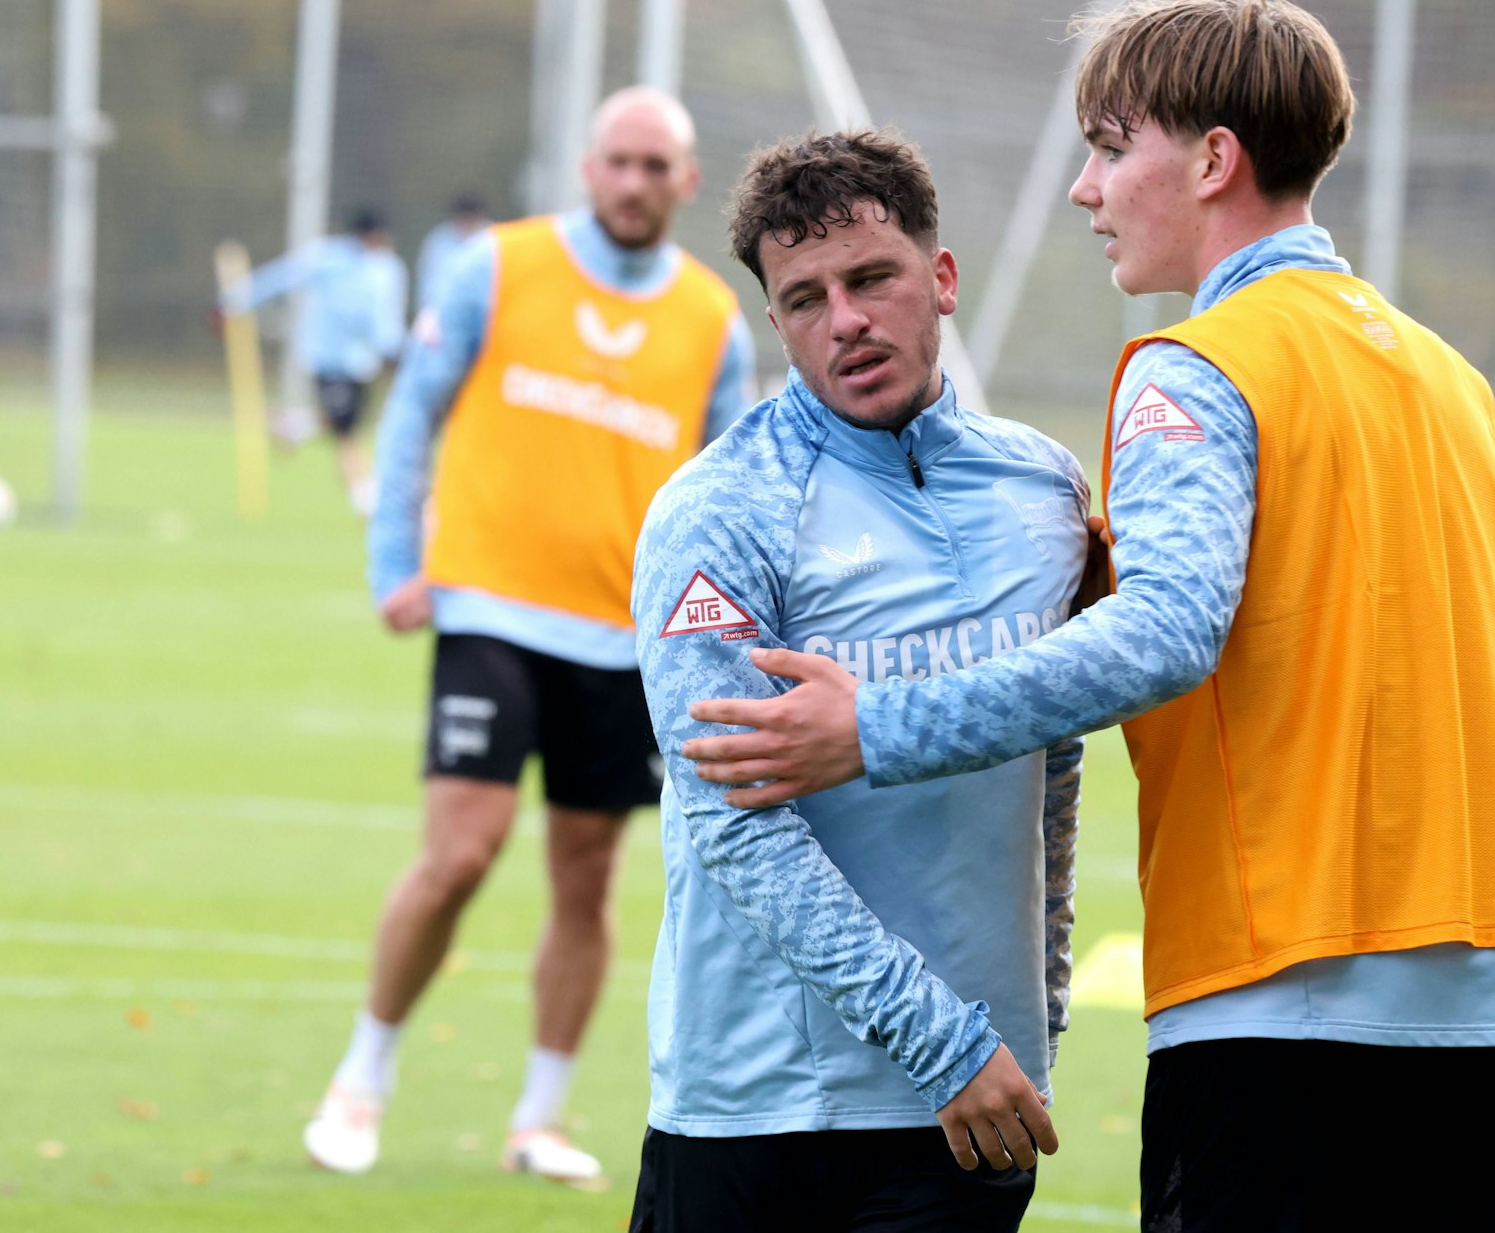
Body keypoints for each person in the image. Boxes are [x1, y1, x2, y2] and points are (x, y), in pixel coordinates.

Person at [680, 0, 1495, 1232]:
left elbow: (1162, 632)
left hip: (1284, 994)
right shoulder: (1447, 377)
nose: (1085, 190)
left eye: (1110, 147)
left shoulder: (1192, 369)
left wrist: (873, 725)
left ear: (1211, 160)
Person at [626, 129, 1087, 1232]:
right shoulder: (719, 511)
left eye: (871, 277)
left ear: (938, 277)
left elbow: (1053, 765)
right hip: (758, 1106)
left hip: (969, 1112)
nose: (844, 320)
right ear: (775, 320)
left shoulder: (1044, 489)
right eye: (803, 298)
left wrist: (1039, 1011)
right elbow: (735, 820)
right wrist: (948, 1039)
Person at [301, 86, 757, 1185]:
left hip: (622, 640)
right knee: (459, 851)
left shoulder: (714, 324)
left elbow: (730, 496)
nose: (637, 182)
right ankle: (361, 1077)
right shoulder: (495, 268)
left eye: (658, 166)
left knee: (586, 879)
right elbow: (413, 411)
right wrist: (394, 565)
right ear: (587, 168)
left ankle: (538, 1117)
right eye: (619, 161)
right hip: (487, 609)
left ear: (686, 182)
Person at [220, 206, 408, 516]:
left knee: (346, 423)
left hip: (364, 363)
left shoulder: (389, 269)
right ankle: (367, 503)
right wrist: (234, 301)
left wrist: (397, 351)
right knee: (347, 433)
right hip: (329, 360)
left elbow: (386, 318)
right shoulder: (327, 257)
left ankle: (294, 425)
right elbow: (280, 277)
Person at [414, 192, 490, 317]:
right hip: (445, 315)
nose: (465, 222)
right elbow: (430, 283)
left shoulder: (492, 238)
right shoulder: (439, 241)